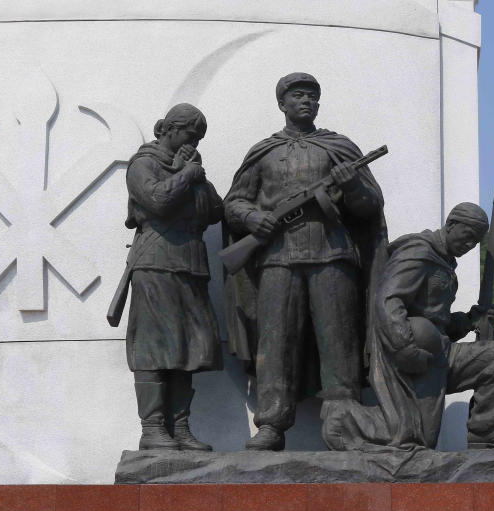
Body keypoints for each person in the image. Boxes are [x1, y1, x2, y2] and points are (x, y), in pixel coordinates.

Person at [224, 72, 386, 451]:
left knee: (339, 340)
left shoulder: (339, 147)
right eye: (298, 96)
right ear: (282, 103)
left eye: (313, 96)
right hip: (278, 258)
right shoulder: (264, 152)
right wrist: (252, 218)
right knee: (276, 342)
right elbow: (234, 203)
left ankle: (344, 423)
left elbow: (369, 208)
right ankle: (271, 424)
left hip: (333, 255)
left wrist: (350, 184)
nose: (307, 101)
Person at [320, 203, 494, 451]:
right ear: (451, 225)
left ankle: (486, 430)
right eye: (468, 236)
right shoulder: (418, 252)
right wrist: (404, 348)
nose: (470, 245)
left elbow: (440, 321)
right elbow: (388, 301)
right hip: (409, 353)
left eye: (476, 241)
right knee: (414, 439)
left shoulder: (445, 263)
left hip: (439, 351)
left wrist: (471, 319)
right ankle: (343, 419)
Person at [122, 103, 223, 452]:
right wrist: (186, 175)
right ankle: (152, 428)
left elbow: (215, 210)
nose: (193, 141)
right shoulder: (143, 164)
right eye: (189, 134)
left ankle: (180, 427)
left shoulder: (191, 169)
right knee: (152, 347)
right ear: (168, 129)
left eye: (198, 138)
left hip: (190, 264)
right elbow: (157, 201)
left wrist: (196, 174)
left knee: (188, 348)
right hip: (155, 262)